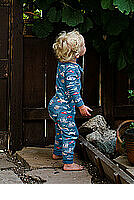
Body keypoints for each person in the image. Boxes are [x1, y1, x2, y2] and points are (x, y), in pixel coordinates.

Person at [47, 30, 92, 171]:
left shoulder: (63, 64)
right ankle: (68, 163)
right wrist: (81, 106)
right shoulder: (72, 69)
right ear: (76, 53)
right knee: (71, 133)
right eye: (83, 46)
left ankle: (58, 152)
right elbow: (73, 90)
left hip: (55, 105)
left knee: (61, 130)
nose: (85, 47)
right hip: (64, 108)